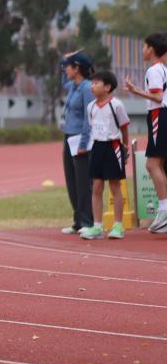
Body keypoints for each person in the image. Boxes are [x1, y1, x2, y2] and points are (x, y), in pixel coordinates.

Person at [123, 33, 167, 233]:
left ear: (151, 49)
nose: (142, 50)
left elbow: (157, 97)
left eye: (144, 46)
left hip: (159, 115)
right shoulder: (162, 68)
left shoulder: (154, 70)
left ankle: (164, 211)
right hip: (161, 115)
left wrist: (135, 91)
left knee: (152, 164)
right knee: (159, 165)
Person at [81, 70, 131, 240]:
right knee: (96, 186)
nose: (92, 86)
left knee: (115, 186)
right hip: (97, 147)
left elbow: (124, 127)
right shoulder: (91, 107)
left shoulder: (116, 105)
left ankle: (118, 225)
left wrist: (125, 146)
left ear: (107, 87)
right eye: (92, 83)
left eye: (96, 83)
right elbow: (92, 127)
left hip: (113, 146)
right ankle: (97, 226)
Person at [59, 52, 95, 235]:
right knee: (71, 180)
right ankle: (78, 221)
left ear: (77, 68)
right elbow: (62, 82)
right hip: (69, 136)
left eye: (68, 66)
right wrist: (63, 60)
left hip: (81, 139)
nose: (66, 69)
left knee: (83, 182)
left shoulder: (87, 88)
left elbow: (89, 117)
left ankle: (87, 221)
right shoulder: (73, 86)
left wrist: (83, 143)